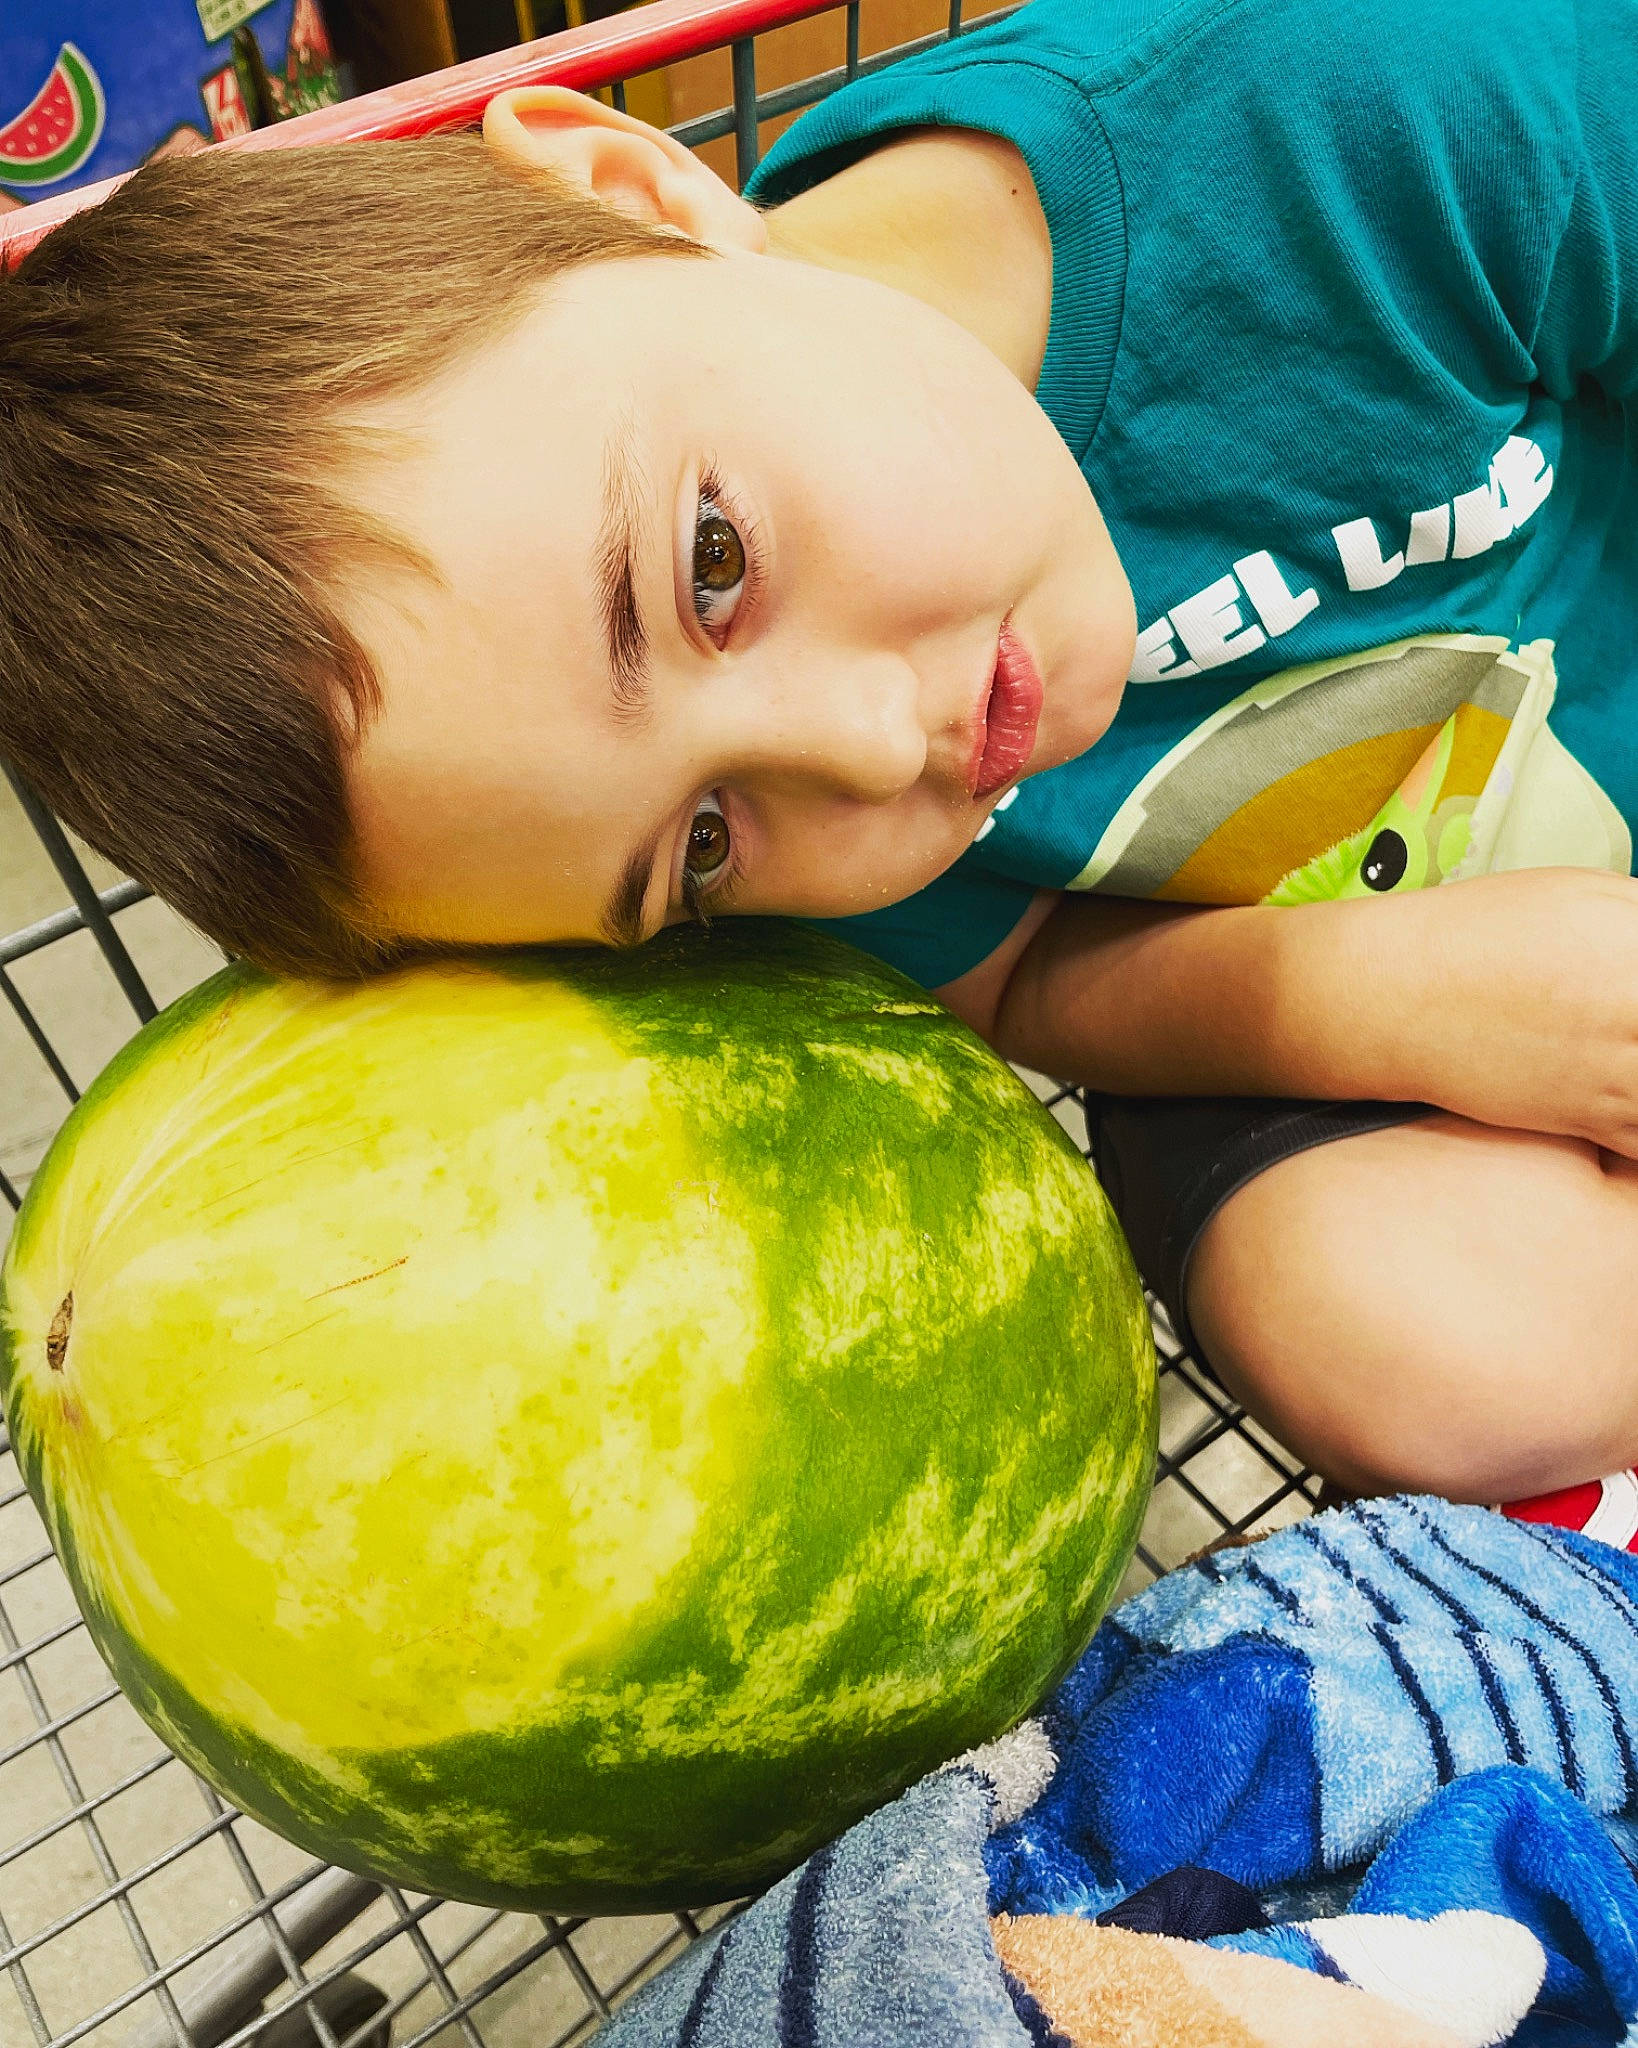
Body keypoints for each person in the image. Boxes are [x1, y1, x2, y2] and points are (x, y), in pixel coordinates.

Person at [3, 0, 1636, 1522]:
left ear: (636, 192)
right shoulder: (813, 799)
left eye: (709, 568)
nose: (866, 756)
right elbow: (1024, 974)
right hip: (1255, 956)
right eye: (700, 847)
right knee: (1416, 1341)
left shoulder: (1343, 104)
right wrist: (1379, 995)